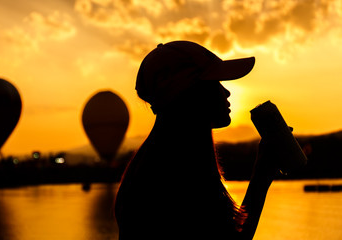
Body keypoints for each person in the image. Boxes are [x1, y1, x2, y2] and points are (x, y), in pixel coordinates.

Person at [114, 41, 280, 240]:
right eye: (215, 83)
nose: (226, 92)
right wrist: (261, 176)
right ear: (189, 94)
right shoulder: (175, 173)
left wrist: (263, 172)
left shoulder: (157, 162)